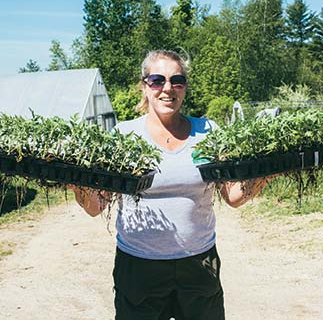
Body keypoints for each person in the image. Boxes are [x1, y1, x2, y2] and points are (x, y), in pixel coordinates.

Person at [70, 50, 273, 320]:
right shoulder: (125, 136)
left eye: (177, 80)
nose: (168, 88)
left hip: (199, 263)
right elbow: (96, 206)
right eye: (157, 80)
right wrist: (74, 182)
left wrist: (271, 172)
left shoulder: (207, 132)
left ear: (185, 87)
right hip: (139, 265)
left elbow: (233, 196)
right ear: (144, 86)